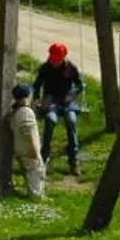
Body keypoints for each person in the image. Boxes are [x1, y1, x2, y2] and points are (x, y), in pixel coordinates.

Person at [32, 42, 87, 175]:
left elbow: (80, 85)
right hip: (51, 100)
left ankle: (73, 159)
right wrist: (37, 100)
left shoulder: (70, 68)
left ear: (63, 57)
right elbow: (36, 85)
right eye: (52, 58)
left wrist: (72, 93)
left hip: (67, 102)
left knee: (71, 121)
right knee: (50, 120)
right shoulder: (45, 68)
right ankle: (44, 157)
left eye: (57, 59)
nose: (54, 62)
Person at [8, 82, 46, 199]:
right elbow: (28, 133)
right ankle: (36, 197)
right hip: (28, 149)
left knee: (29, 173)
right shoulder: (26, 112)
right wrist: (34, 151)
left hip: (20, 149)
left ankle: (34, 194)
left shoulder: (15, 112)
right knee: (36, 172)